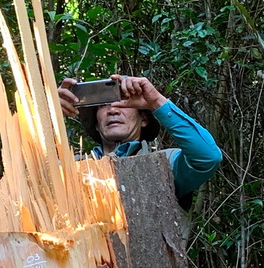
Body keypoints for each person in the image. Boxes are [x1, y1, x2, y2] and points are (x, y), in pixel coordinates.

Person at [57, 74, 222, 203]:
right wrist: (47, 114)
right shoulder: (70, 168)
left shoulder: (166, 163)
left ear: (143, 119)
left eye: (122, 102)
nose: (113, 110)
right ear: (97, 125)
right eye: (104, 105)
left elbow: (207, 157)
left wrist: (156, 101)